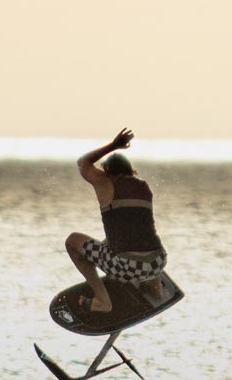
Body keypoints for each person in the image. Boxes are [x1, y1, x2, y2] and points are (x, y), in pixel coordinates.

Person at [65, 127, 167, 313]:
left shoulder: (106, 182)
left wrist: (113, 146)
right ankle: (157, 290)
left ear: (107, 172)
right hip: (158, 262)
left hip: (125, 267)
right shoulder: (144, 187)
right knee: (139, 235)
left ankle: (102, 301)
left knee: (73, 241)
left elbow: (83, 163)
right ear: (130, 170)